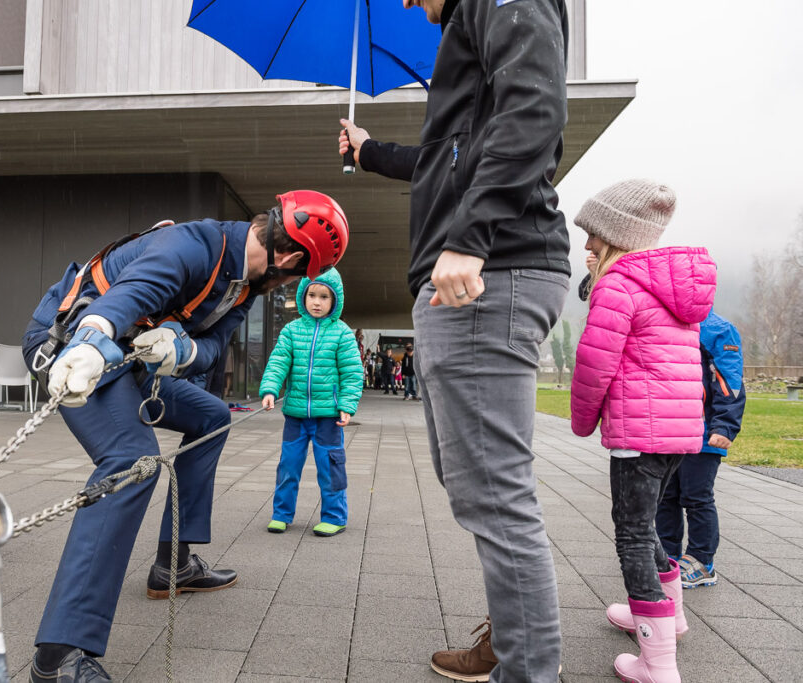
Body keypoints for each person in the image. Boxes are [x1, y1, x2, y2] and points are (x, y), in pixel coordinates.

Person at [22, 190, 349, 682]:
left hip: (126, 361)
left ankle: (173, 565)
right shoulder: (194, 245)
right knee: (132, 460)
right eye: (298, 277)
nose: (292, 287)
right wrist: (92, 340)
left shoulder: (241, 287)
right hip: (71, 346)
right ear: (289, 257)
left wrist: (183, 351)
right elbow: (130, 294)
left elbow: (215, 345)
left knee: (212, 418)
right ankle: (58, 656)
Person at [338, 0, 570, 679]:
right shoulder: (467, 22)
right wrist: (371, 151)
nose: (406, 3)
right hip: (475, 275)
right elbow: (448, 160)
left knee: (493, 491)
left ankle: (527, 668)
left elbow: (535, 106)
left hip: (490, 270)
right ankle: (510, 635)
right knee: (472, 482)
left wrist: (470, 237)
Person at [570, 180, 716, 682]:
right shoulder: (670, 283)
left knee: (631, 534)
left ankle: (657, 663)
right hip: (678, 432)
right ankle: (667, 617)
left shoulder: (620, 284)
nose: (586, 244)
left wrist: (583, 420)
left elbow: (595, 360)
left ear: (615, 233)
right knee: (647, 523)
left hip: (639, 432)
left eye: (592, 234)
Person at [259, 268, 363, 537]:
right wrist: (270, 389)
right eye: (312, 295)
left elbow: (352, 372)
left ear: (335, 300)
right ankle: (281, 514)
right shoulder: (292, 330)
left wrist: (347, 404)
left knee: (330, 467)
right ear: (303, 297)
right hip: (295, 414)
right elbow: (279, 361)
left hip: (328, 416)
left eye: (324, 297)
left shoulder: (342, 333)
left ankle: (335, 516)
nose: (317, 302)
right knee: (288, 466)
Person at [655, 311, 746, 588]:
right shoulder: (662, 321)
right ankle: (667, 556)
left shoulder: (718, 329)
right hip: (668, 429)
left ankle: (702, 560)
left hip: (704, 432)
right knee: (665, 495)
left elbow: (728, 380)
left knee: (696, 496)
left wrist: (725, 426)